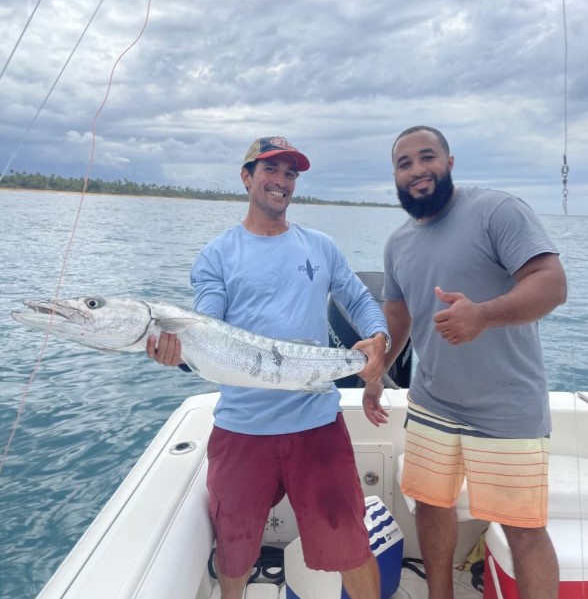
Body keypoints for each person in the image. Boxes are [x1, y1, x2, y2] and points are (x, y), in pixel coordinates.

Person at [147, 136, 391, 599]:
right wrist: (181, 353)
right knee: (234, 552)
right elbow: (209, 325)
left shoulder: (320, 246)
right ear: (247, 177)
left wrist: (379, 340)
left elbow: (358, 298)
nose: (281, 182)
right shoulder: (217, 255)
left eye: (290, 173)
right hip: (243, 430)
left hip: (316, 424)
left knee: (350, 543)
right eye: (271, 170)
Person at [380, 125, 567, 599]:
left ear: (450, 162)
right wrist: (376, 371)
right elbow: (399, 315)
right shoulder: (398, 243)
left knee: (522, 528)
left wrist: (483, 315)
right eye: (405, 163)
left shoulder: (495, 211)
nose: (418, 170)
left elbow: (551, 282)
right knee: (430, 505)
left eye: (428, 157)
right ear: (396, 176)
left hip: (506, 408)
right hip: (431, 403)